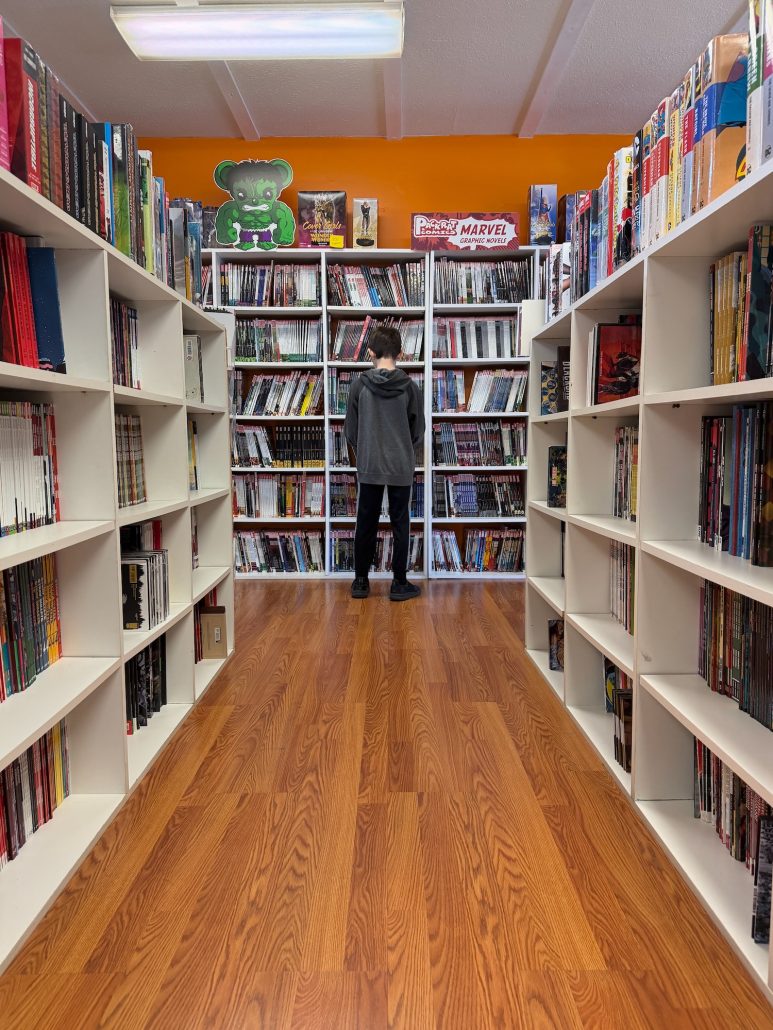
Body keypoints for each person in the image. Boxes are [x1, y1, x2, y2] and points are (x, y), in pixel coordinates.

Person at [344, 325, 424, 600]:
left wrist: (367, 449)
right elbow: (418, 431)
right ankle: (399, 583)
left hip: (370, 464)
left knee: (365, 522)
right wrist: (401, 448)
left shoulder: (358, 385)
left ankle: (360, 582)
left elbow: (350, 432)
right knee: (400, 523)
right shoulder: (410, 388)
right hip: (401, 464)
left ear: (371, 353)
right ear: (400, 353)